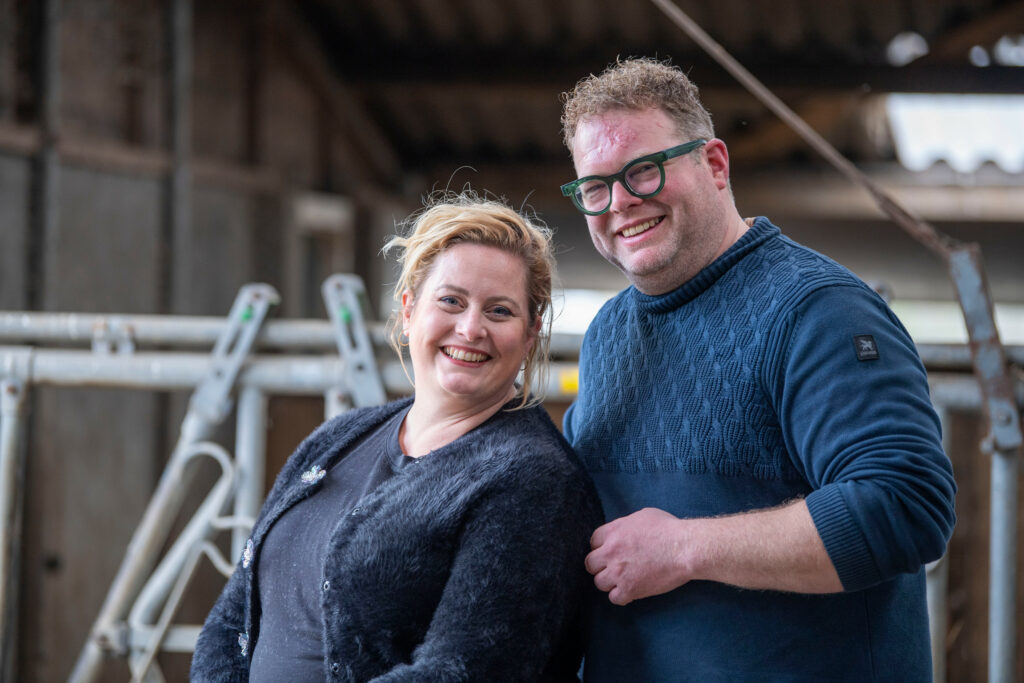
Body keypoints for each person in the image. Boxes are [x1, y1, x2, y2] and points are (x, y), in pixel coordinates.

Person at [558, 58, 956, 681]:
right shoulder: (608, 331)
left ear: (714, 164)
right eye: (595, 188)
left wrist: (684, 548)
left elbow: (905, 505)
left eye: (644, 171)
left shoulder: (815, 308)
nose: (621, 204)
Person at [191, 193, 602, 682]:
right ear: (408, 311)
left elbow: (464, 672)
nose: (471, 328)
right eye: (451, 301)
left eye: (499, 311)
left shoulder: (534, 484)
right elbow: (230, 621)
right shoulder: (338, 437)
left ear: (530, 334)